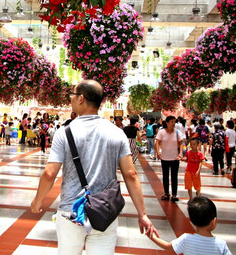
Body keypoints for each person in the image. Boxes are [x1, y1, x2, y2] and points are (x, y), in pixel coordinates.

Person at [30, 79, 158, 254]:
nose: (71, 99)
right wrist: (142, 213)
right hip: (104, 211)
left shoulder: (64, 133)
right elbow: (131, 174)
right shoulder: (116, 132)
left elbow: (49, 174)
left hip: (71, 212)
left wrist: (38, 200)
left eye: (73, 95)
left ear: (81, 98)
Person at [149, 196, 232, 255]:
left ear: (191, 221)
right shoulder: (221, 244)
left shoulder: (186, 239)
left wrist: (152, 237)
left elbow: (167, 246)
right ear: (214, 221)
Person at [155, 115, 185, 203]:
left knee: (174, 176)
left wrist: (180, 153)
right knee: (165, 176)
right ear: (167, 123)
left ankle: (174, 194)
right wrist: (158, 152)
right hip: (164, 158)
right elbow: (157, 142)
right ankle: (166, 193)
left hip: (175, 158)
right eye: (171, 122)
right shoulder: (161, 132)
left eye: (174, 122)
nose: (173, 123)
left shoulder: (177, 132)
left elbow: (181, 143)